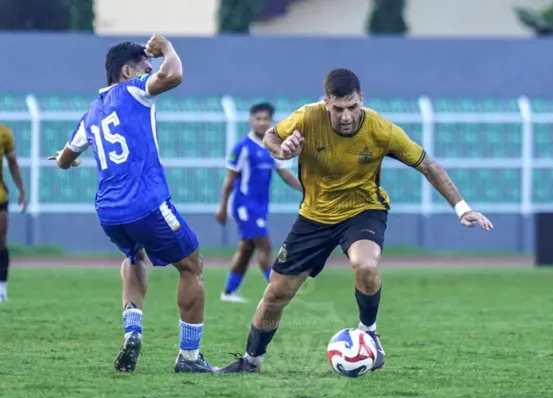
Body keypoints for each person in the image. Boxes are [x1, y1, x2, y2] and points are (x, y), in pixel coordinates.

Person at [217, 68, 494, 374]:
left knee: (365, 265)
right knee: (276, 293)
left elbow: (426, 164)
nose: (346, 116)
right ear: (326, 103)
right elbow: (272, 136)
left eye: (352, 107)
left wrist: (462, 208)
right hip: (314, 216)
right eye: (338, 109)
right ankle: (251, 361)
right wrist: (280, 150)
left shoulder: (381, 129)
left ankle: (369, 332)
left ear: (361, 98)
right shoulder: (307, 117)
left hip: (363, 209)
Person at [48, 36, 214, 374]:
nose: (149, 71)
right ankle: (189, 357)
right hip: (145, 203)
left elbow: (63, 159)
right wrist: (167, 47)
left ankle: (132, 331)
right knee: (192, 266)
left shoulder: (90, 114)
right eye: (144, 67)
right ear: (126, 71)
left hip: (109, 211)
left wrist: (70, 161)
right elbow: (174, 75)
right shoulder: (133, 91)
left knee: (134, 256)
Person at [216, 102, 301, 303]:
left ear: (271, 121)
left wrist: (306, 190)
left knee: (246, 249)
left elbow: (285, 174)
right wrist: (222, 207)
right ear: (251, 120)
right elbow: (229, 180)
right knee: (265, 244)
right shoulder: (242, 148)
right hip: (244, 206)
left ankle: (229, 292)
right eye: (258, 118)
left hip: (261, 207)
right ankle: (278, 290)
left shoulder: (272, 147)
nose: (262, 122)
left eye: (266, 119)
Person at [0, 124, 27, 303]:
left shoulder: (4, 133)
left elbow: (13, 163)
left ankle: (2, 288)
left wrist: (21, 190)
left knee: (1, 239)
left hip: (0, 196)